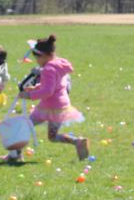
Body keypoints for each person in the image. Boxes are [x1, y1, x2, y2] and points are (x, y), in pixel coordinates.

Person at [6, 35, 90, 164]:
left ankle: (15, 155)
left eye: (37, 58)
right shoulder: (58, 64)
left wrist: (29, 96)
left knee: (25, 126)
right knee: (52, 136)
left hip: (48, 106)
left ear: (43, 56)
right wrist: (36, 87)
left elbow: (48, 91)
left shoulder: (48, 69)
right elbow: (53, 85)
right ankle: (77, 141)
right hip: (60, 106)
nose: (36, 62)